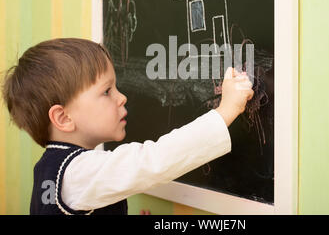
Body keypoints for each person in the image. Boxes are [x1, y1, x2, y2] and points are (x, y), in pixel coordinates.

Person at [1, 38, 254, 215]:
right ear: (64, 118)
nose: (121, 97)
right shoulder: (77, 173)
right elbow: (151, 161)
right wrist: (225, 111)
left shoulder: (55, 169)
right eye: (107, 91)